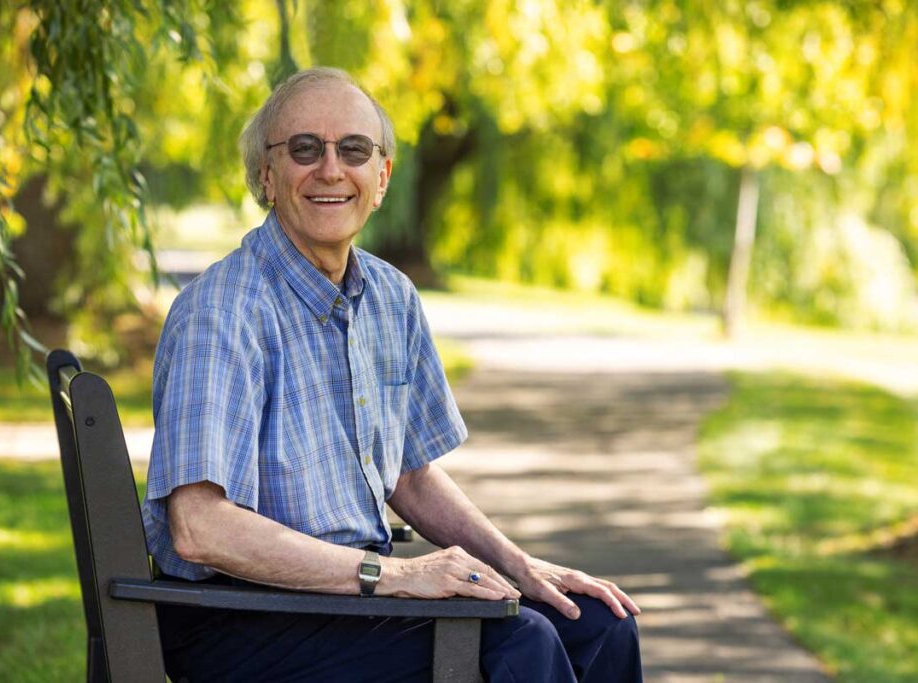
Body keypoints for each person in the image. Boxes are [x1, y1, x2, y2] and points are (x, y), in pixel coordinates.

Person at [142, 66, 642, 682]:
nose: (330, 169)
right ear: (267, 177)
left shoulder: (390, 297)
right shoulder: (221, 312)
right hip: (240, 615)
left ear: (379, 179)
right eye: (304, 149)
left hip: (351, 597)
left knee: (599, 624)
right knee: (519, 643)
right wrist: (397, 575)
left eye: (353, 150)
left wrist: (518, 565)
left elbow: (408, 472)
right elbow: (197, 528)